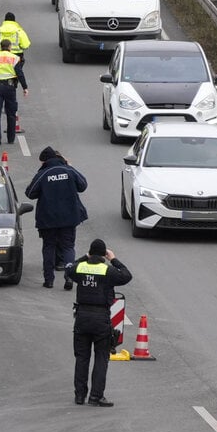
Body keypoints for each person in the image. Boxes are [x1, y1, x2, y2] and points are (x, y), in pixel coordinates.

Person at [66, 239, 133, 407]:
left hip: (82, 317)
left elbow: (68, 268)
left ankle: (79, 396)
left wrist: (84, 257)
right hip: (100, 318)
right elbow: (126, 275)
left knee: (82, 358)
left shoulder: (80, 268)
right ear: (104, 254)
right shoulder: (108, 271)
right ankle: (96, 397)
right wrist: (114, 259)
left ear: (90, 253)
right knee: (101, 358)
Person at [24, 146, 88, 289]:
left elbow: (30, 192)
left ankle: (49, 280)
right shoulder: (69, 170)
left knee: (48, 247)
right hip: (69, 217)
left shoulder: (44, 173)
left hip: (48, 219)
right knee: (68, 247)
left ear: (45, 161)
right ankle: (69, 277)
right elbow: (83, 185)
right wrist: (70, 167)